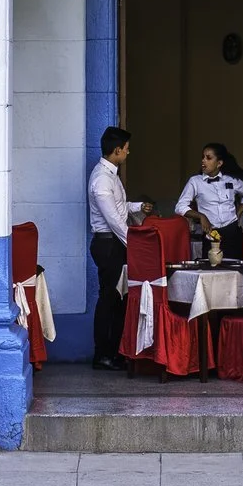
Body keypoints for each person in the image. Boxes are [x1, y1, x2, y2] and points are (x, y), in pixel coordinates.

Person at [87, 126, 147, 370]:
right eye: (126, 149)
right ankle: (103, 354)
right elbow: (113, 220)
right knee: (109, 299)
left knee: (118, 300)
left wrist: (139, 206)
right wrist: (135, 245)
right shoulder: (102, 178)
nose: (128, 153)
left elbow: (119, 207)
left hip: (115, 243)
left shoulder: (111, 175)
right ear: (116, 150)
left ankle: (115, 351)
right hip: (108, 244)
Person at [175, 142, 243, 262]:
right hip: (211, 233)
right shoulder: (195, 181)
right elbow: (180, 206)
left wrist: (238, 213)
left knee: (235, 270)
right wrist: (201, 216)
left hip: (232, 231)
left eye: (208, 158)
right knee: (211, 271)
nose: (203, 161)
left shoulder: (231, 180)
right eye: (203, 157)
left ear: (219, 163)